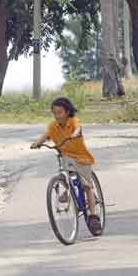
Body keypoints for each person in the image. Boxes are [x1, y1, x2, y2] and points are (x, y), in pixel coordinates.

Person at [31, 96, 102, 236]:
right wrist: (37, 143)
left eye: (60, 112)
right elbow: (46, 135)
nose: (57, 116)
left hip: (81, 157)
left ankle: (93, 216)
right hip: (66, 156)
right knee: (67, 174)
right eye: (54, 113)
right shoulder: (53, 126)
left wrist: (75, 134)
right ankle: (68, 190)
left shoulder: (73, 121)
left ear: (67, 111)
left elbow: (77, 128)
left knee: (87, 185)